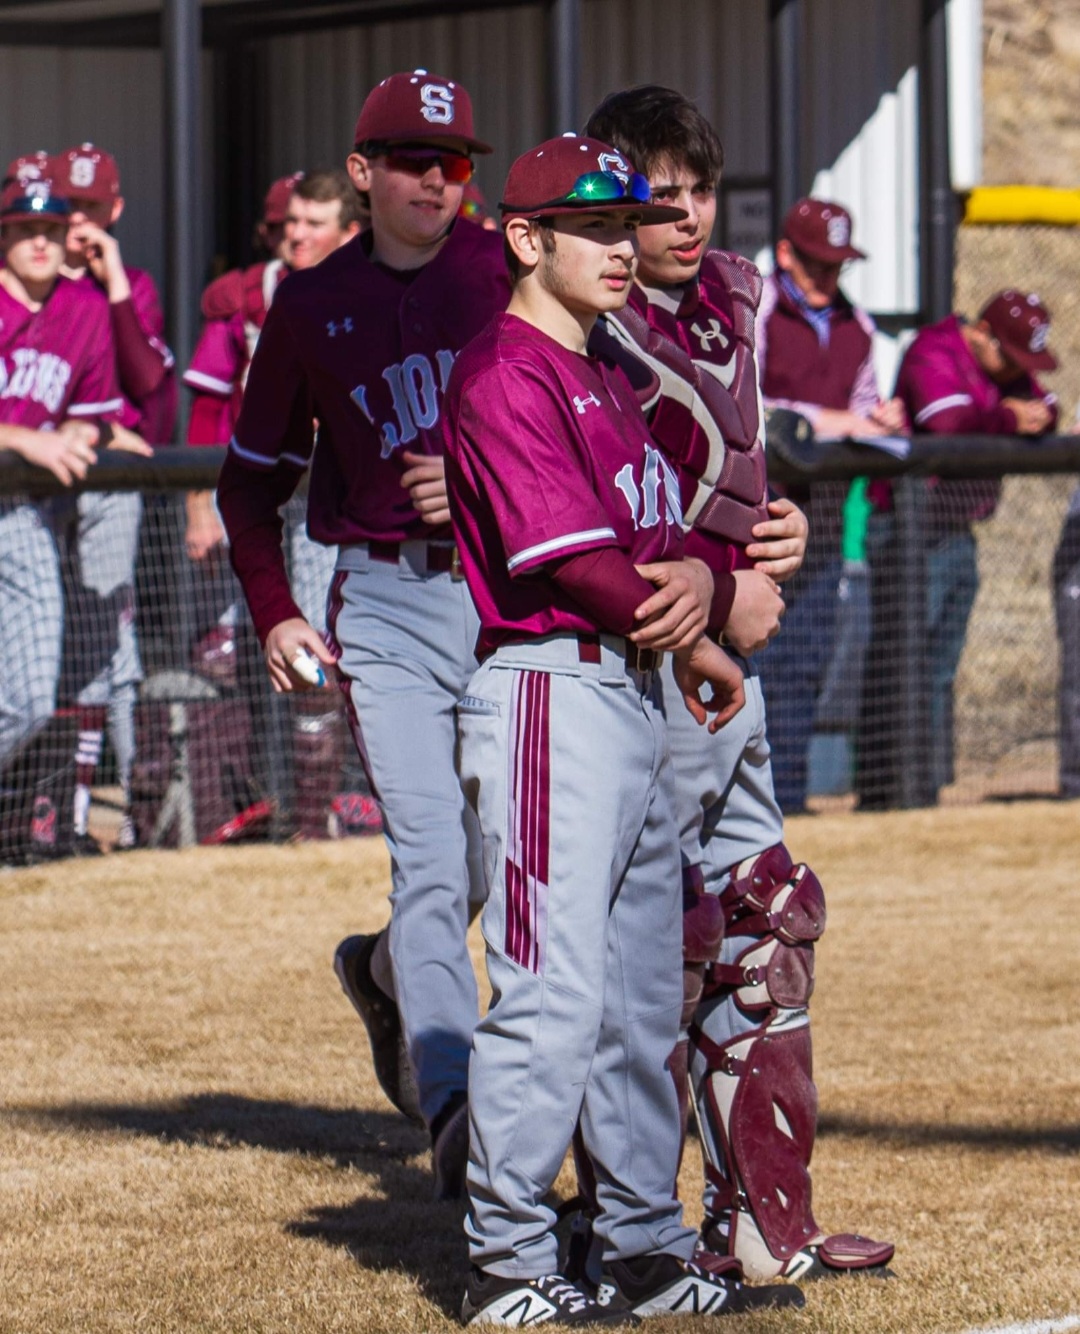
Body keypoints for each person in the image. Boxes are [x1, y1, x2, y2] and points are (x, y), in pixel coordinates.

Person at [445, 131, 803, 1326]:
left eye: (623, 223)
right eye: (590, 227)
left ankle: (641, 1247)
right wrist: (700, 613)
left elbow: (661, 545)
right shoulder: (509, 368)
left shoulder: (605, 367)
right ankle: (506, 1257)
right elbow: (591, 567)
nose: (617, 244)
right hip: (551, 686)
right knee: (554, 991)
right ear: (525, 238)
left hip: (633, 687)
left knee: (642, 992)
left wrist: (712, 597)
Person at [583, 85, 895, 1284]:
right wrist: (716, 592)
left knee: (770, 923)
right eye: (658, 194)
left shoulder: (740, 296)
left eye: (700, 189)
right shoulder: (585, 319)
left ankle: (767, 1224)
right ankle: (636, 1231)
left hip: (730, 671)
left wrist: (784, 532)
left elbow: (739, 460)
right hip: (640, 670)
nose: (684, 216)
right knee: (656, 955)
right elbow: (604, 509)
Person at [215, 70, 509, 1195]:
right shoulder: (309, 304)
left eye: (455, 162)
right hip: (381, 598)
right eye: (411, 159)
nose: (436, 178)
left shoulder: (505, 270)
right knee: (433, 858)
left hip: (501, 593)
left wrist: (483, 484)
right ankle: (452, 1101)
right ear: (363, 173)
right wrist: (277, 606)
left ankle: (386, 973)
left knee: (493, 857)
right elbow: (250, 486)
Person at [185, 168, 368, 841]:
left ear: (349, 232)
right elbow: (206, 408)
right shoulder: (245, 297)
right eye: (291, 222)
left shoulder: (369, 294)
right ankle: (230, 810)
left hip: (327, 498)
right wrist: (197, 505)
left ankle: (316, 815)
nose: (296, 235)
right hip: (252, 493)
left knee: (319, 641)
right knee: (221, 651)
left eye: (312, 224)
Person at [755, 197, 904, 812]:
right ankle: (754, 800)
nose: (826, 277)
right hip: (755, 519)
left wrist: (882, 417)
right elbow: (747, 399)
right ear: (786, 253)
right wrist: (839, 421)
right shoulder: (756, 304)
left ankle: (789, 794)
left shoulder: (859, 325)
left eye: (836, 265)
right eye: (816, 262)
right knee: (754, 661)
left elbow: (869, 404)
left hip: (819, 525)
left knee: (806, 661)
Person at [53, 141, 175, 853]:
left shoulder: (127, 286)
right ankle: (53, 806)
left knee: (106, 637)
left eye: (90, 208)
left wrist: (118, 286)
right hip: (39, 480)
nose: (77, 223)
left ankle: (122, 809)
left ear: (114, 209)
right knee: (40, 638)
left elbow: (152, 395)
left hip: (106, 487)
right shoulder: (23, 281)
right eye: (68, 208)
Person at [894, 290, 1058, 796]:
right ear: (983, 334)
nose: (1017, 372)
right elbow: (945, 423)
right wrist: (1010, 418)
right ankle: (900, 788)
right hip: (910, 532)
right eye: (1011, 357)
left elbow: (1046, 404)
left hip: (959, 531)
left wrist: (1030, 413)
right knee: (908, 663)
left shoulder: (1004, 369)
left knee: (942, 664)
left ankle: (933, 784)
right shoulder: (935, 349)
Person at [0, 163, 122, 779]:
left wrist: (83, 429)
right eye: (25, 229)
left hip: (18, 515)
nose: (41, 241)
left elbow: (94, 413)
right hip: (18, 490)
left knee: (27, 702)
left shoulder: (84, 308)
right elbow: (33, 436)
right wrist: (24, 438)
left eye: (51, 227)